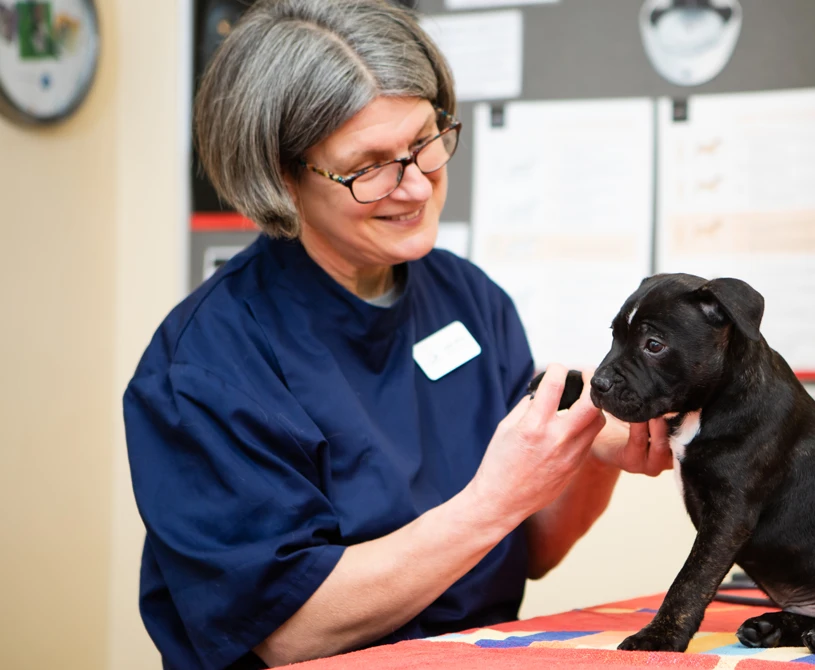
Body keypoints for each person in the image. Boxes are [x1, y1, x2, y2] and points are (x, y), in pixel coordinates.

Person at [122, 1, 674, 668]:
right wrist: (492, 501)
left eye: (424, 141)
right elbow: (290, 631)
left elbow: (529, 551)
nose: (416, 185)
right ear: (283, 177)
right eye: (370, 165)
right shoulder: (209, 365)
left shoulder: (468, 300)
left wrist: (587, 454)